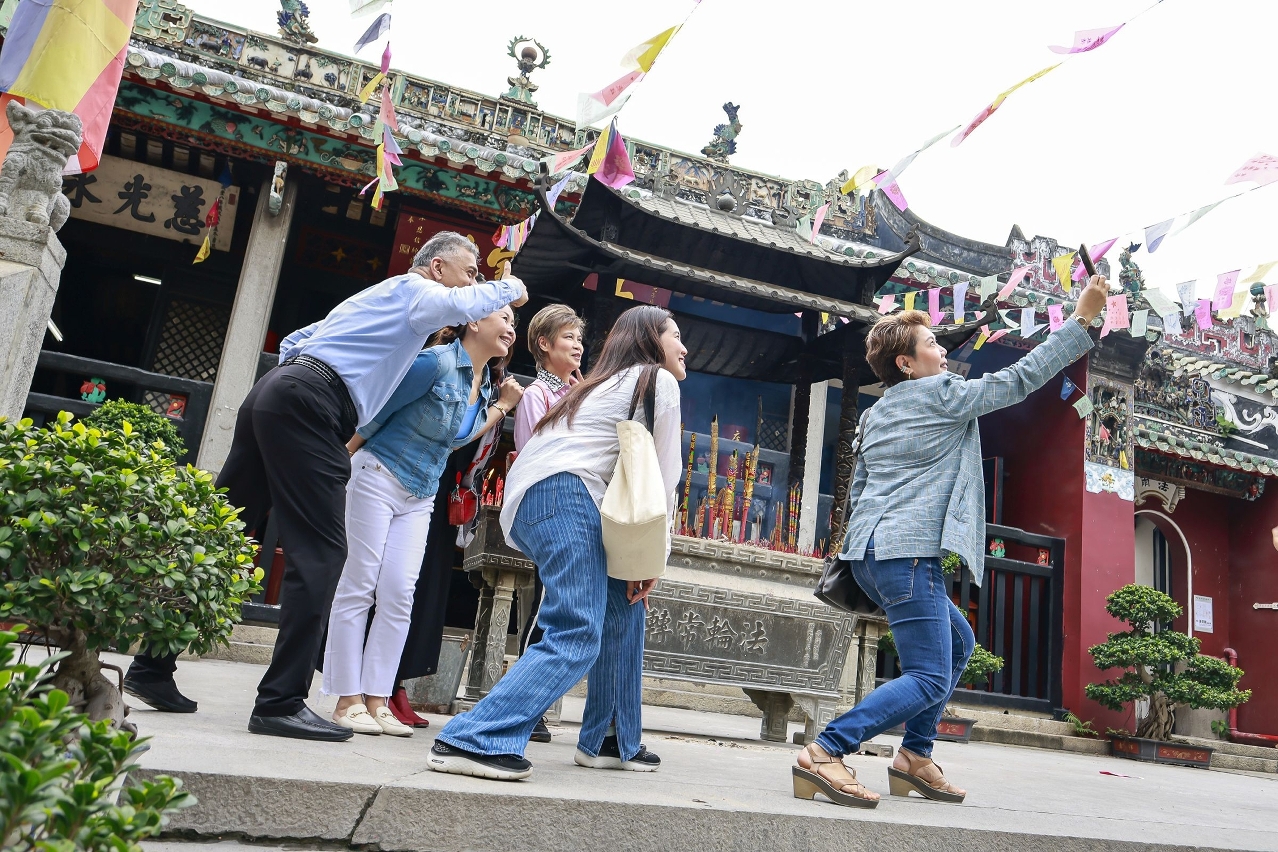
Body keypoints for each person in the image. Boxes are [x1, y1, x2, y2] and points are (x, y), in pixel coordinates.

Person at [125, 232, 527, 741]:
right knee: (322, 554)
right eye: (470, 273)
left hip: (279, 391)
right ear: (438, 268)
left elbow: (297, 339)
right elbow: (462, 303)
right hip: (312, 403)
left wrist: (302, 384)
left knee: (223, 534)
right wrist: (511, 286)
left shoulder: (382, 301)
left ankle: (151, 667)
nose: (474, 285)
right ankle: (280, 701)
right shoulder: (415, 291)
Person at [792, 274, 1108, 808]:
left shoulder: (875, 413)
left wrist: (854, 550)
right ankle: (826, 750)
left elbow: (858, 489)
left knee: (958, 643)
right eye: (931, 344)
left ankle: (914, 756)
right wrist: (1081, 320)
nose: (942, 351)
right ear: (906, 363)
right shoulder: (942, 395)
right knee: (928, 675)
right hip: (909, 555)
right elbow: (1020, 378)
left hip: (870, 553)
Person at [429, 305, 686, 781]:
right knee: (577, 628)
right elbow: (664, 478)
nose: (684, 348)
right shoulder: (657, 380)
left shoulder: (597, 384)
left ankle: (610, 738)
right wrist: (653, 559)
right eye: (675, 337)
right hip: (565, 494)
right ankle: (473, 738)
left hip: (542, 498)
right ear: (652, 341)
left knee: (623, 608)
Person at [322, 306, 522, 736]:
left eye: (513, 322)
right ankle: (346, 699)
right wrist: (342, 460)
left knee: (398, 593)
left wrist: (502, 407)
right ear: (474, 321)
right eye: (504, 318)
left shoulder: (486, 383)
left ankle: (376, 699)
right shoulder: (434, 361)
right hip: (378, 473)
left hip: (421, 493)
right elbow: (377, 412)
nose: (511, 328)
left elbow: (457, 439)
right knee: (359, 584)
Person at [512, 304, 585, 744]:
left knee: (561, 607)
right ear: (544, 343)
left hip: (578, 507)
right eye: (568, 338)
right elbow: (530, 454)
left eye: (579, 339)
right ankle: (524, 707)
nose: (578, 346)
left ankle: (533, 705)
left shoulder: (578, 391)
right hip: (552, 505)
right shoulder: (536, 395)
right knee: (546, 606)